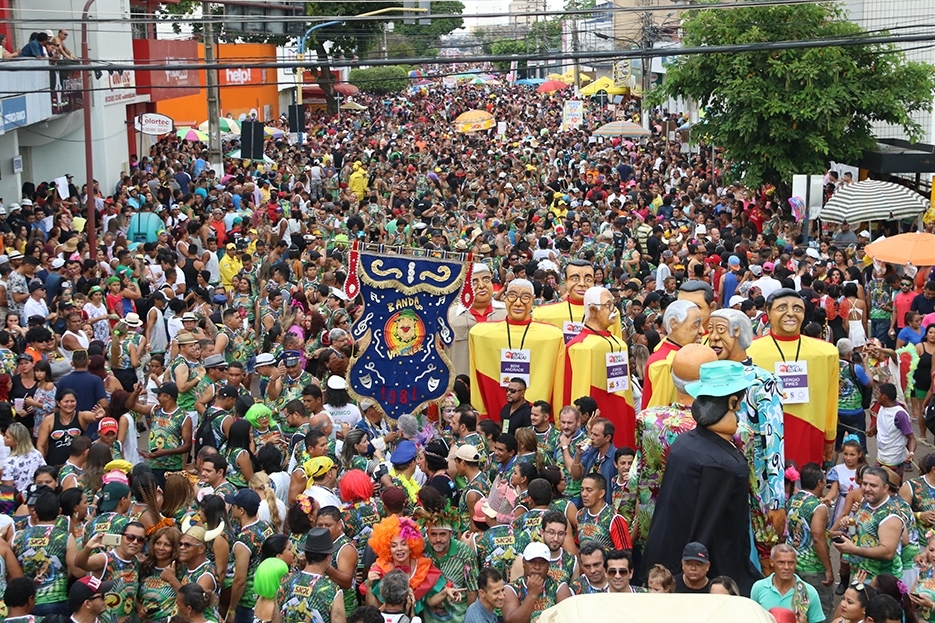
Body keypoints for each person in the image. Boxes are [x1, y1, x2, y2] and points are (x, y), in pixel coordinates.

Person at [641, 360, 762, 596]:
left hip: (668, 556)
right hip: (704, 574)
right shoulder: (724, 464)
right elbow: (721, 531)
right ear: (732, 402)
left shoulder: (685, 443)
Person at [748, 288, 840, 467]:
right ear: (768, 312)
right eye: (782, 307)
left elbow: (831, 401)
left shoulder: (826, 352)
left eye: (797, 308)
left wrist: (830, 438)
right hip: (765, 435)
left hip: (810, 433)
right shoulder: (750, 351)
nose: (790, 313)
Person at [468, 279, 565, 421]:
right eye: (512, 296)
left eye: (525, 297)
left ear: (533, 300)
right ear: (505, 298)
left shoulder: (553, 336)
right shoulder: (480, 334)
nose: (518, 303)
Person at [563, 286, 636, 446]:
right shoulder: (580, 346)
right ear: (593, 310)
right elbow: (577, 391)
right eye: (608, 305)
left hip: (620, 411)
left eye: (614, 305)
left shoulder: (618, 343)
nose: (614, 311)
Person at [363, 514, 449, 615]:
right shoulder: (380, 570)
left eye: (404, 544)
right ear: (388, 549)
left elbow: (430, 601)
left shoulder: (423, 568)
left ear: (412, 545)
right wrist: (369, 585)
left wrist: (445, 592)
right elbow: (373, 609)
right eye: (394, 545)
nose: (399, 548)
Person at [832, 466, 905, 580]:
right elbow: (867, 527)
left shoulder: (890, 515)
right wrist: (849, 524)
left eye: (873, 485)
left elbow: (888, 552)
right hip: (862, 575)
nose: (867, 488)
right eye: (865, 484)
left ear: (886, 488)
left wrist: (853, 549)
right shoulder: (866, 502)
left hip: (880, 580)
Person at [12, 491, 75, 618]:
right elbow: (77, 571)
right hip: (57, 602)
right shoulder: (66, 537)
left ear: (35, 512)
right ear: (59, 511)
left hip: (26, 603)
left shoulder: (17, 536)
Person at [787, 462, 835, 619]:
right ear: (819, 483)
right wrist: (828, 568)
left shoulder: (794, 499)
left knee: (799, 609)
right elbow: (817, 536)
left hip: (794, 563)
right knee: (820, 610)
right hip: (813, 569)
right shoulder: (818, 507)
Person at [75, 522, 147, 623]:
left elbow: (129, 592)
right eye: (130, 537)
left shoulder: (136, 562)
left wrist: (138, 607)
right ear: (121, 537)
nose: (135, 542)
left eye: (140, 540)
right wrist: (88, 548)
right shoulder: (105, 559)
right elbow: (79, 563)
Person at [641, 299, 705, 409]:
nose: (702, 331)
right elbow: (658, 413)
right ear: (673, 323)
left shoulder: (671, 354)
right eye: (696, 325)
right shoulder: (667, 363)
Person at [447, 264, 507, 377]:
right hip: (462, 386)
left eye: (486, 279)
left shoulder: (507, 315)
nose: (481, 285)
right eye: (474, 282)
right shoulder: (449, 317)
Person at [226, 489, 275, 623]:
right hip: (267, 592)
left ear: (241, 510)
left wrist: (231, 608)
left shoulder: (243, 540)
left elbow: (240, 580)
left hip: (248, 601)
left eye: (234, 505)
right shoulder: (265, 525)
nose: (231, 507)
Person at [279, 527, 346, 623]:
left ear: (305, 555)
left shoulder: (285, 580)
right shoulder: (332, 589)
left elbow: (276, 617)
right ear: (328, 557)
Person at [750, 544, 826, 623]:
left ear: (796, 563)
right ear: (772, 562)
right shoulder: (758, 588)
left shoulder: (809, 592)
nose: (786, 567)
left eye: (791, 563)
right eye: (781, 562)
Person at [502, 542, 571, 623]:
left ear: (548, 565)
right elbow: (511, 622)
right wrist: (532, 594)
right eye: (532, 562)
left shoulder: (559, 587)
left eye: (542, 563)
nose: (537, 567)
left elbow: (568, 618)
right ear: (523, 563)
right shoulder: (511, 589)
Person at [871, 383, 916, 477]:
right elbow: (881, 421)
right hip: (881, 457)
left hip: (894, 460)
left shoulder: (900, 415)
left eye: (878, 393)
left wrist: (911, 453)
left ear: (884, 397)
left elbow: (911, 438)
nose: (876, 396)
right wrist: (873, 430)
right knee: (877, 485)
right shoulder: (882, 407)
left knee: (891, 488)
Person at [570, 418, 617, 506]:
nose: (591, 437)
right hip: (587, 507)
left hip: (607, 508)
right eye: (591, 433)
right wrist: (578, 455)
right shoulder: (591, 452)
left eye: (596, 435)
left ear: (607, 438)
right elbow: (575, 476)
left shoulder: (616, 457)